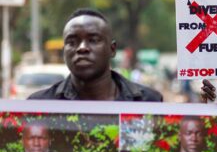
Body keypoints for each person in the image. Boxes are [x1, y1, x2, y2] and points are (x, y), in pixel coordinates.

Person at [28, 8, 162, 101]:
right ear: (64, 51)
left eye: (93, 40)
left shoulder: (148, 102)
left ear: (112, 49)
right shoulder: (39, 106)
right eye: (72, 42)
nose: (82, 48)